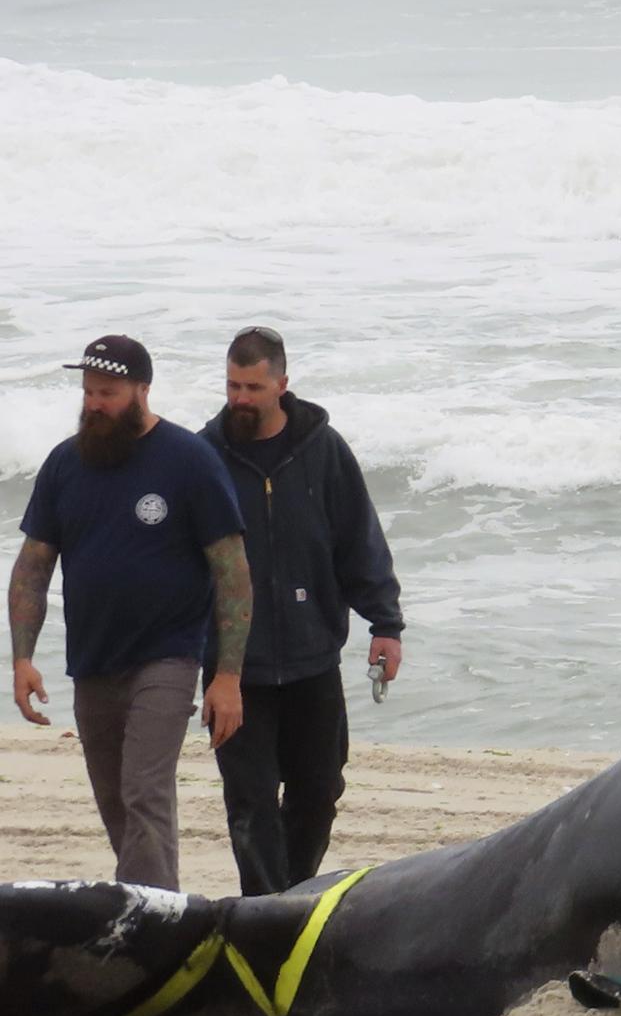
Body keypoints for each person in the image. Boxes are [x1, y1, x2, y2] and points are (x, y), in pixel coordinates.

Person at [10, 336, 251, 890]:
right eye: (90, 392)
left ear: (142, 390)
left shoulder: (189, 459)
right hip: (93, 660)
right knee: (115, 798)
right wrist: (22, 657)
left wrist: (228, 676)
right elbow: (32, 566)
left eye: (109, 393)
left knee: (145, 788)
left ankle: (147, 922)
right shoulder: (66, 463)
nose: (95, 404)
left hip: (166, 656)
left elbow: (232, 571)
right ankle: (151, 900)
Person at [200, 325, 406, 896]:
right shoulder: (204, 456)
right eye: (232, 385)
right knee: (250, 802)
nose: (240, 398)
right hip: (235, 670)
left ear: (282, 384)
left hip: (315, 660)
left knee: (319, 791)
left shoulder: (323, 449)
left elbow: (358, 540)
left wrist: (385, 623)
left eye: (252, 387)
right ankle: (266, 910)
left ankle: (288, 897)